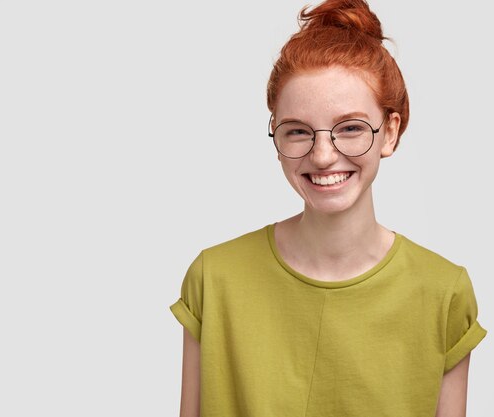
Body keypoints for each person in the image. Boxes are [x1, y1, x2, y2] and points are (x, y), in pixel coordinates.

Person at [169, 0, 488, 416]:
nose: (322, 156)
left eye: (351, 128)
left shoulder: (444, 293)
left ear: (390, 132)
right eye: (298, 131)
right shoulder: (213, 279)